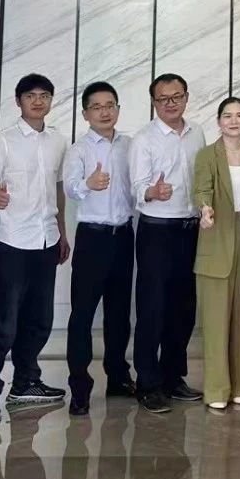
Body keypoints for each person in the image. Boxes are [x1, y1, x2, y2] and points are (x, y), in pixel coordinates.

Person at [0, 73, 71, 424]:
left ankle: (25, 382)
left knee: (39, 320)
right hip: (11, 242)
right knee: (1, 324)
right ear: (18, 101)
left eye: (44, 95)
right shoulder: (2, 140)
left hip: (46, 240)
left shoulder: (58, 141)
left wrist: (62, 233)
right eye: (30, 95)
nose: (38, 101)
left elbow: (57, 190)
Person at [129, 73, 207, 413]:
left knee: (183, 308)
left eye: (177, 96)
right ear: (154, 102)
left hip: (191, 229)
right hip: (157, 231)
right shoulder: (143, 140)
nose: (171, 103)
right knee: (153, 308)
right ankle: (148, 383)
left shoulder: (197, 133)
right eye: (163, 98)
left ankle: (174, 377)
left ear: (186, 97)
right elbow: (136, 188)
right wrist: (153, 191)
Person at [62, 81, 136, 416]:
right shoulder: (79, 150)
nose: (104, 112)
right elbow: (70, 188)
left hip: (123, 236)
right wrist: (88, 184)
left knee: (119, 314)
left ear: (118, 109)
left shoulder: (130, 145)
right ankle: (79, 387)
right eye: (97, 107)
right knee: (82, 315)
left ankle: (118, 377)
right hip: (92, 238)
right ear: (85, 113)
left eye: (110, 105)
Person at [193, 97, 240, 410]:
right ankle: (216, 390)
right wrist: (205, 209)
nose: (233, 121)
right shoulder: (207, 155)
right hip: (215, 235)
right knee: (215, 321)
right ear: (219, 121)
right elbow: (201, 190)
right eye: (227, 116)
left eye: (239, 115)